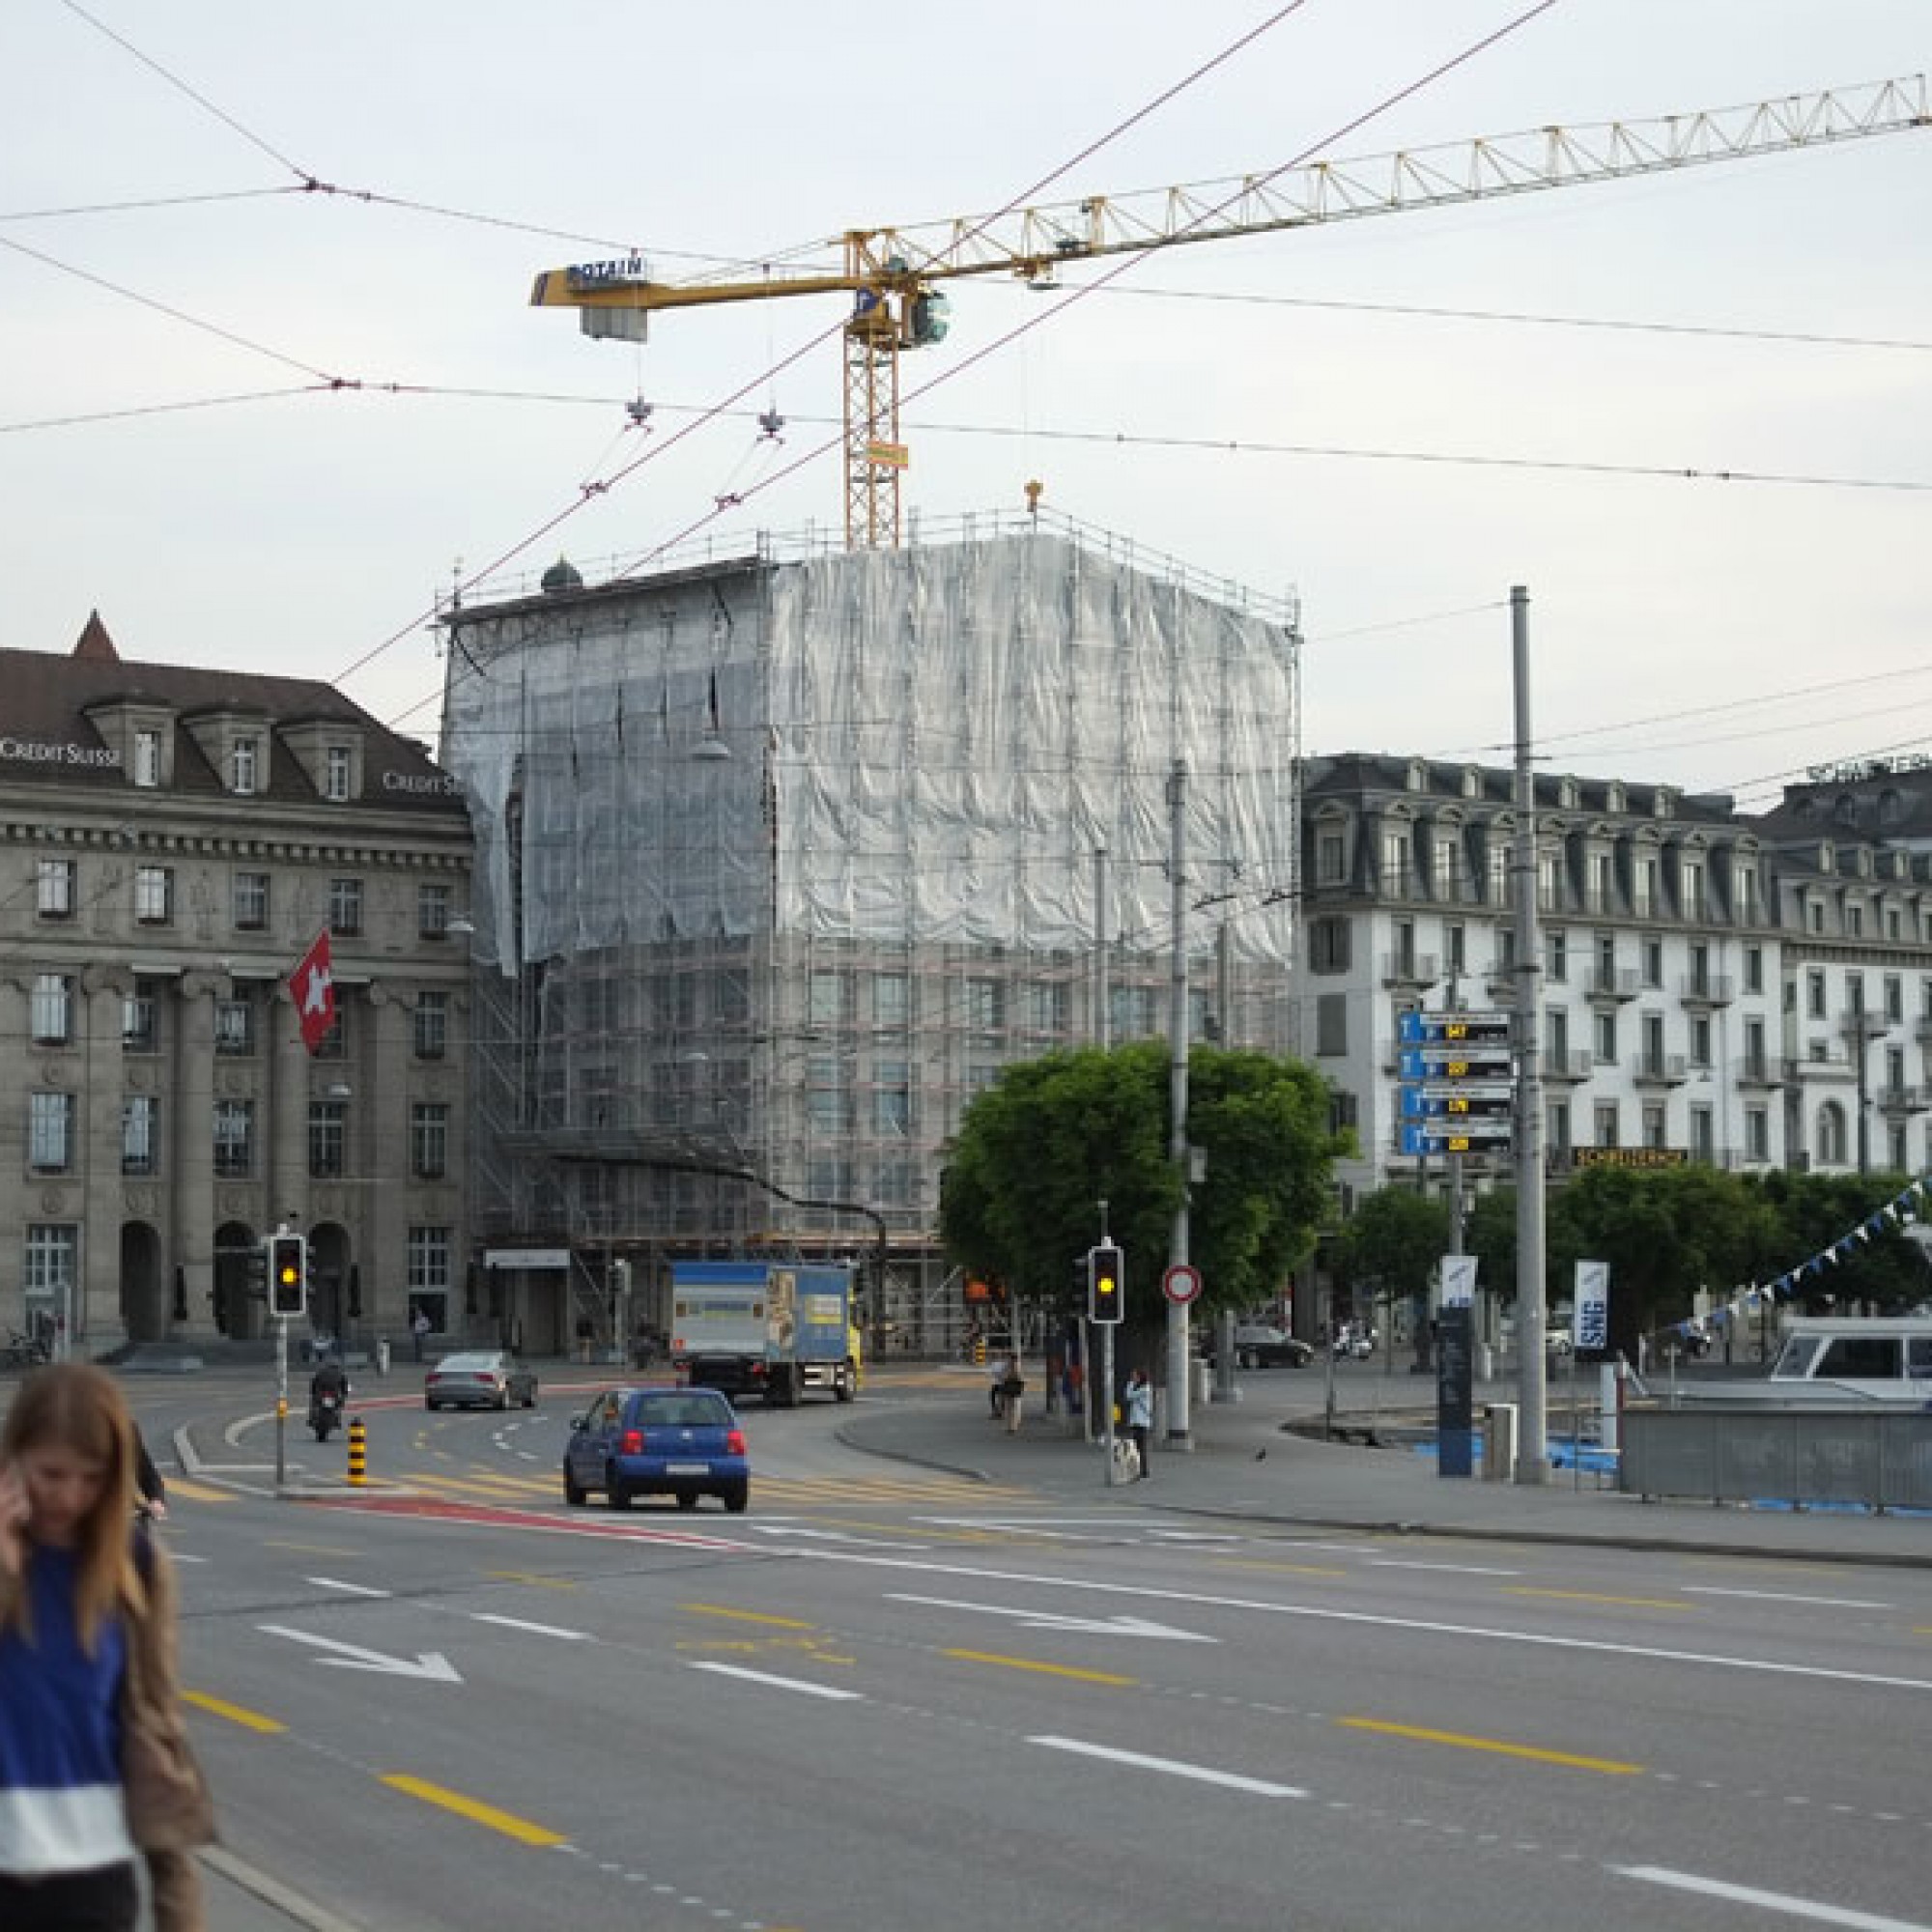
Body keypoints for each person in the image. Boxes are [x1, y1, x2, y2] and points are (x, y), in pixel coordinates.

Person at [0, 1364, 213, 1932]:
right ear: (14, 1457)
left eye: (91, 1478)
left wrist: (178, 1903)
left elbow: (156, 1727)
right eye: (51, 1474)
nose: (69, 1497)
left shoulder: (137, 1568)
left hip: (94, 1883)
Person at [1124, 1368, 1153, 1480]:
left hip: (1142, 1422)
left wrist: (1130, 1383)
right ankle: (1139, 1470)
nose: (1133, 1378)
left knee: (1141, 1448)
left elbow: (1129, 1395)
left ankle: (1144, 1471)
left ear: (1140, 1377)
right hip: (1136, 1421)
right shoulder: (1139, 1388)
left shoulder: (1145, 1389)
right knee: (1136, 1448)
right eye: (1132, 1376)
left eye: (1135, 1376)